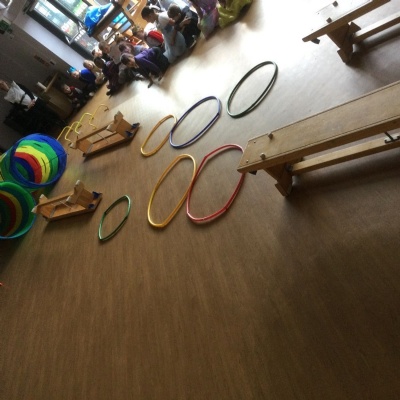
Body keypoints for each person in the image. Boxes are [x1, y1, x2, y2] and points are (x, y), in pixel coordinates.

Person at [0, 80, 65, 130]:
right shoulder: (8, 97)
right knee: (44, 116)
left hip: (35, 100)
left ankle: (61, 120)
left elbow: (27, 90)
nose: (3, 85)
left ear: (4, 82)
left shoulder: (15, 85)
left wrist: (32, 99)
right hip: (30, 107)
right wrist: (27, 106)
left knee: (48, 111)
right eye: (1, 85)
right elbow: (17, 106)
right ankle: (58, 124)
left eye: (2, 83)